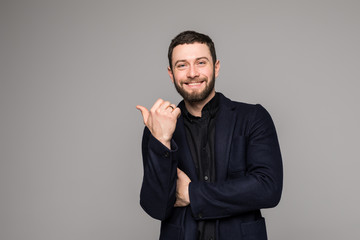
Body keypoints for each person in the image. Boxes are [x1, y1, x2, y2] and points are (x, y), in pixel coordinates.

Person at [136, 30, 283, 240]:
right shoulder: (158, 127)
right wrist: (162, 140)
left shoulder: (253, 118)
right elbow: (155, 207)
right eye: (182, 65)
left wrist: (191, 194)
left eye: (201, 62)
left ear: (216, 67)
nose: (192, 73)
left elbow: (268, 188)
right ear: (171, 73)